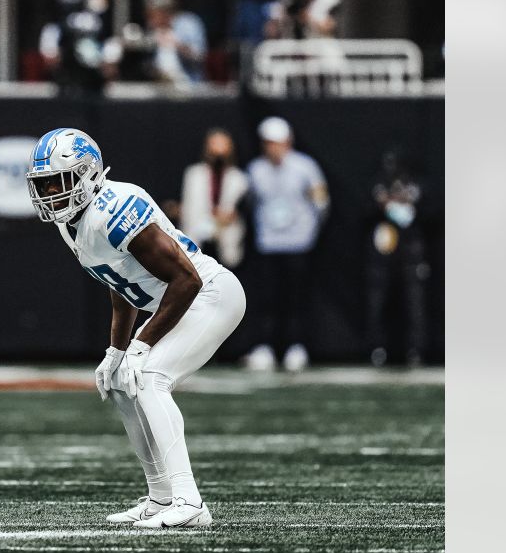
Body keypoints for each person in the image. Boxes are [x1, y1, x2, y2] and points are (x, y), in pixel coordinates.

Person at [26, 128, 246, 529]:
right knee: (121, 382)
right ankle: (161, 498)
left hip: (211, 294)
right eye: (43, 185)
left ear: (89, 174)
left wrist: (141, 346)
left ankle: (189, 501)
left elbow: (187, 280)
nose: (50, 192)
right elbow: (120, 283)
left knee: (148, 377)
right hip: (176, 302)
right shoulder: (71, 222)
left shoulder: (115, 207)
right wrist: (116, 351)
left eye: (58, 181)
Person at [243, 117, 329, 372]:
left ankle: (296, 347)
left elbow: (321, 203)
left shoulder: (305, 167)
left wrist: (308, 231)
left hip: (299, 244)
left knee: (297, 299)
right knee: (267, 299)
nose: (274, 148)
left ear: (288, 142)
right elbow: (251, 204)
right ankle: (265, 347)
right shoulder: (255, 169)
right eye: (270, 143)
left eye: (278, 143)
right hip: (268, 243)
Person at [366, 150, 428, 367]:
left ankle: (415, 349)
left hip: (410, 253)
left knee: (413, 303)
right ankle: (378, 348)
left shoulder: (418, 185)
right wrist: (386, 206)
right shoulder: (378, 185)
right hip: (383, 251)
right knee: (379, 299)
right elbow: (371, 209)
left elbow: (428, 211)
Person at [179, 128, 248, 267]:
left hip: (227, 242)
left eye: (222, 146)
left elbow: (244, 210)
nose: (218, 151)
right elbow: (187, 209)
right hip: (197, 241)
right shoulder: (194, 174)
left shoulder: (239, 178)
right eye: (214, 145)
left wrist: (232, 215)